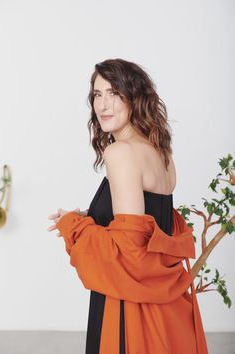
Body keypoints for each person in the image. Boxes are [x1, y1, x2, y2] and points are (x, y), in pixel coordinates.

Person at [47, 58, 208, 354]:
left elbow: (129, 250)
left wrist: (74, 226)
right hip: (163, 309)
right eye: (97, 95)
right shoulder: (161, 152)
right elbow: (150, 221)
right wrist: (91, 215)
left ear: (134, 97)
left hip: (126, 306)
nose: (103, 105)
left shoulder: (120, 152)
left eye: (115, 93)